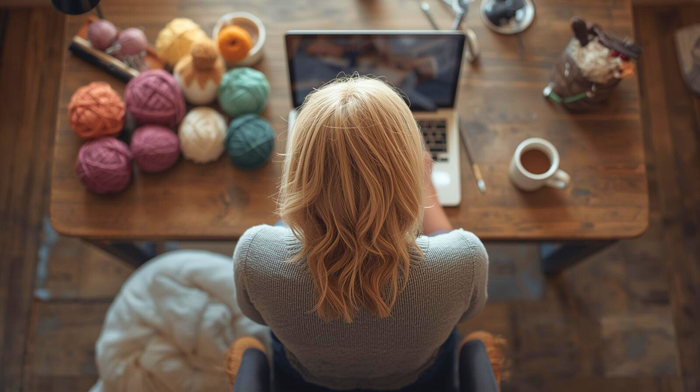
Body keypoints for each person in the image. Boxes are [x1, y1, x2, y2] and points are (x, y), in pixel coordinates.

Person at [232, 77, 492, 391]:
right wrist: (425, 187)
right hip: (418, 380)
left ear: (297, 174)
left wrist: (317, 185)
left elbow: (256, 316)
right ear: (412, 175)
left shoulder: (254, 254)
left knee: (284, 230)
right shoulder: (465, 260)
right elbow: (467, 311)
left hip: (305, 379)